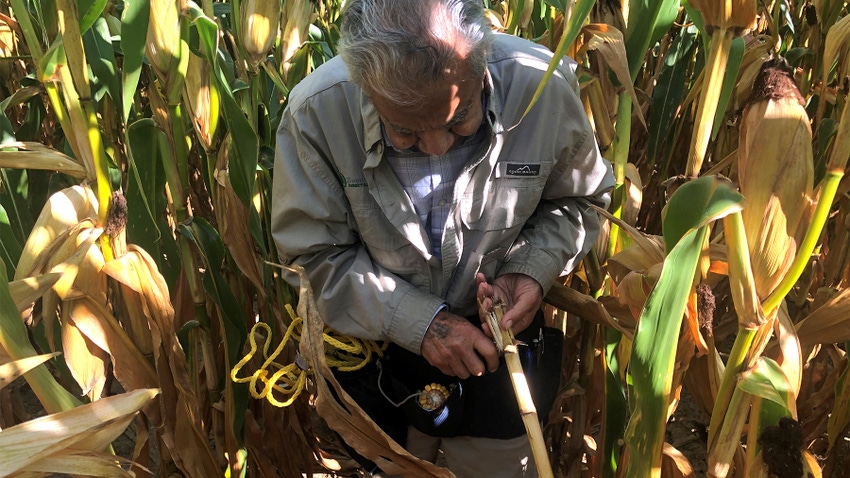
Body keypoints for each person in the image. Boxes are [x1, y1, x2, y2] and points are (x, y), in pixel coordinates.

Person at [271, 0, 615, 476]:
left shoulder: (542, 90)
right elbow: (312, 257)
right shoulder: (317, 114)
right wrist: (424, 324)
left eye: (459, 120)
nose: (437, 146)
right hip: (379, 358)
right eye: (404, 132)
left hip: (500, 358)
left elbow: (580, 202)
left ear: (481, 64)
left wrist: (532, 268)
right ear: (366, 88)